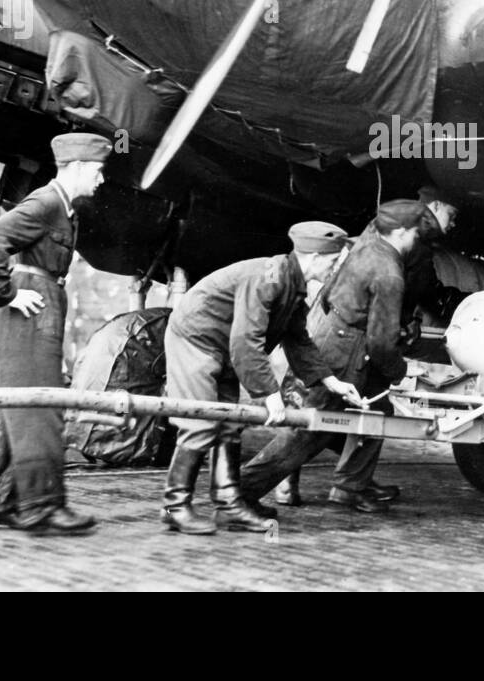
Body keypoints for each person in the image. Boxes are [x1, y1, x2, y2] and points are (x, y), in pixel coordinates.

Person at [161, 221, 359, 535]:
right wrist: (269, 394)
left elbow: (298, 340)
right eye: (334, 261)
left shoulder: (293, 284)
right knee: (200, 422)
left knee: (229, 423)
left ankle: (229, 506)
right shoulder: (269, 279)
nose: (336, 267)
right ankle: (175, 507)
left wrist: (330, 381)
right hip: (196, 338)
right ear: (315, 258)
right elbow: (246, 341)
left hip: (222, 345)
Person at [241, 200, 426, 513]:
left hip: (332, 331)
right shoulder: (390, 274)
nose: (417, 239)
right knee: (312, 429)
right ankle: (242, 491)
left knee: (376, 414)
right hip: (350, 350)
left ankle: (350, 487)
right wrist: (399, 370)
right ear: (402, 232)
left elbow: (327, 294)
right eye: (415, 233)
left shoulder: (366, 246)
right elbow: (381, 342)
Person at [0, 132, 111, 536]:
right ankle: (40, 507)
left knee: (17, 404)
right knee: (39, 406)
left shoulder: (66, 209)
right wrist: (7, 294)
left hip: (45, 302)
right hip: (31, 308)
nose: (101, 180)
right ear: (80, 167)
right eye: (99, 171)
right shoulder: (47, 202)